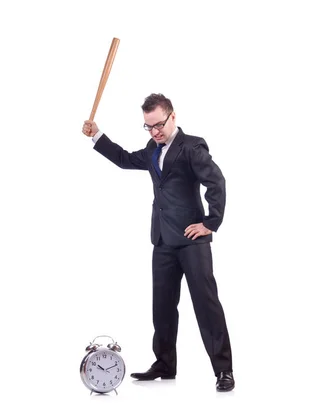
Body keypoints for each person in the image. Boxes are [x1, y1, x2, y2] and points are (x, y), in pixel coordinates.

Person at [82, 93, 235, 392]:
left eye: (159, 124)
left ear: (173, 116)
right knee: (162, 307)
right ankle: (165, 363)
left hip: (193, 241)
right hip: (163, 239)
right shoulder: (153, 149)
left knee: (207, 306)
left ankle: (223, 371)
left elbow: (217, 182)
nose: (154, 132)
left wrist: (209, 223)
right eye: (148, 126)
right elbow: (125, 159)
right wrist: (97, 135)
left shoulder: (192, 147)